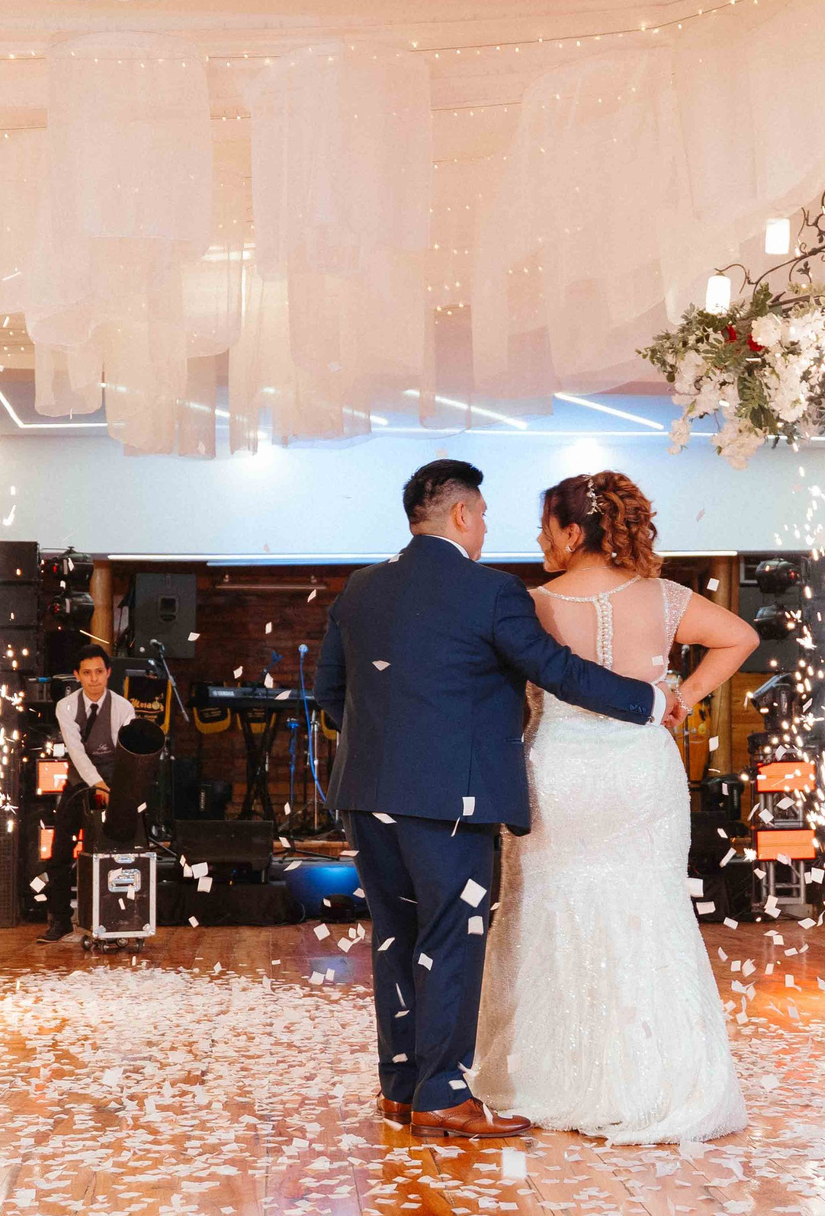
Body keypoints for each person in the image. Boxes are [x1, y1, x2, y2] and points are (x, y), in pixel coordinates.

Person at [316, 459, 684, 1141]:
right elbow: (557, 671)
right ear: (461, 515)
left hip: (366, 795)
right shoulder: (491, 593)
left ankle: (400, 1087)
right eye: (482, 515)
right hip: (452, 802)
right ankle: (443, 1094)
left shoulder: (360, 589)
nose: (486, 528)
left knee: (396, 938)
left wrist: (386, 757)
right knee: (452, 939)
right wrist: (649, 700)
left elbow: (330, 694)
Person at [473, 471, 755, 1143]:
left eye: (545, 524)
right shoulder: (663, 598)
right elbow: (740, 637)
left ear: (573, 531)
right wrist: (681, 698)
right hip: (639, 770)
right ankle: (656, 1077)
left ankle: (550, 1075)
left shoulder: (532, 604)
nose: (539, 537)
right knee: (648, 908)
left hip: (559, 770)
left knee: (548, 910)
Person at [41, 641, 137, 942]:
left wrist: (114, 790)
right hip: (79, 782)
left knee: (116, 851)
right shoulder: (65, 707)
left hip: (115, 781)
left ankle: (118, 918)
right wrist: (96, 784)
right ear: (77, 676)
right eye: (87, 673)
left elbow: (127, 753)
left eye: (99, 672)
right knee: (59, 853)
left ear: (109, 673)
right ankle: (59, 921)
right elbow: (77, 752)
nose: (94, 679)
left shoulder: (124, 707)